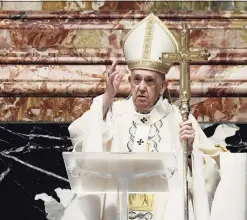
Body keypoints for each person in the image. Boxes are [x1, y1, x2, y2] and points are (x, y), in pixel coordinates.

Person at [68, 14, 226, 220]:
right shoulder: (114, 112)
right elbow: (80, 137)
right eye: (136, 79)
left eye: (149, 81)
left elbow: (210, 170)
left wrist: (189, 153)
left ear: (163, 86)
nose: (141, 87)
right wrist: (107, 97)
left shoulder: (178, 117)